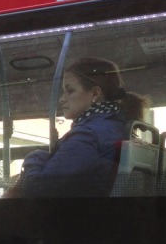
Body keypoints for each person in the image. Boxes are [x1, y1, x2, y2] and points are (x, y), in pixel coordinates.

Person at [16, 57, 147, 197]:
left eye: (70, 90)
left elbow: (38, 188)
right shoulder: (117, 126)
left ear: (95, 93)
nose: (62, 99)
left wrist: (35, 157)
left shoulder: (87, 135)